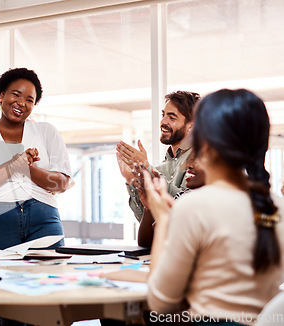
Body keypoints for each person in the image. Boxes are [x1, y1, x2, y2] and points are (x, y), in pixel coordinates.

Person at [144, 89, 284, 324]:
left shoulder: (194, 206)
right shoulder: (277, 207)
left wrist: (165, 219)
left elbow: (160, 303)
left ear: (203, 140)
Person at [0, 67, 72, 251]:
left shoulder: (46, 132)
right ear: (1, 96)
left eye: (30, 100)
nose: (21, 103)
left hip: (43, 219)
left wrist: (28, 170)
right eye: (16, 95)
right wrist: (11, 167)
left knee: (50, 275)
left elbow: (61, 184)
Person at [116, 91, 200, 222]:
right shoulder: (161, 167)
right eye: (163, 115)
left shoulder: (200, 161)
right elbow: (145, 219)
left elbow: (185, 207)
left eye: (172, 117)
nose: (163, 121)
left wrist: (147, 170)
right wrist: (131, 179)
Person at [137, 155, 206, 248]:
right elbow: (146, 243)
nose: (188, 165)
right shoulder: (183, 195)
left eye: (198, 160)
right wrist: (148, 208)